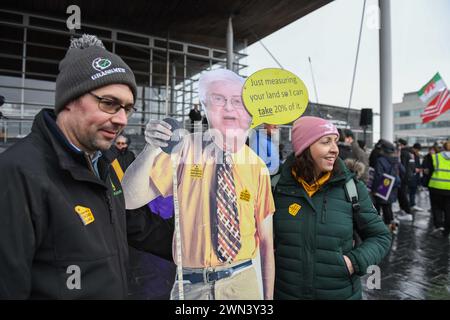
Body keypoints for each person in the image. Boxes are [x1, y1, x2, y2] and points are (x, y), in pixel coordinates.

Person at [0, 34, 173, 299]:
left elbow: (134, 224)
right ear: (69, 99)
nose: (121, 119)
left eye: (128, 108)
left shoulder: (104, 161)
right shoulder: (17, 173)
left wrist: (196, 240)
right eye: (109, 103)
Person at [122, 69, 275, 300]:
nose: (229, 108)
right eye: (218, 100)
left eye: (237, 101)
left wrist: (268, 299)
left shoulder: (258, 167)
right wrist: (151, 148)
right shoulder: (184, 149)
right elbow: (129, 199)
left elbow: (266, 242)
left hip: (242, 285)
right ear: (206, 107)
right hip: (191, 287)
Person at [272, 116, 391, 300]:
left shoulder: (351, 188)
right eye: (326, 142)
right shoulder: (276, 187)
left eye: (335, 141)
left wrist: (354, 262)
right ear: (304, 147)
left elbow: (380, 236)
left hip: (341, 293)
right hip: (286, 293)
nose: (335, 149)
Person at [371, 140, 403, 234]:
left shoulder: (380, 160)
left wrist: (374, 189)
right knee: (388, 207)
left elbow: (378, 176)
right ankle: (390, 226)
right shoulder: (396, 159)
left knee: (379, 206)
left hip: (383, 186)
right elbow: (403, 171)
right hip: (393, 186)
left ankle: (379, 228)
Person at [424, 141, 450, 238]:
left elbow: (429, 171)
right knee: (448, 209)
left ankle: (439, 227)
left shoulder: (436, 157)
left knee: (437, 208)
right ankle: (447, 230)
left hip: (436, 187)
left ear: (443, 148)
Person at [396, 138, 414, 221]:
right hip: (408, 177)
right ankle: (404, 210)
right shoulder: (410, 153)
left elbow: (401, 167)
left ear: (401, 145)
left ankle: (408, 212)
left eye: (398, 144)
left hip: (403, 177)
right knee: (402, 194)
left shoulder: (403, 153)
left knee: (402, 194)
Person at [409, 143, 424, 211]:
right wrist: (415, 169)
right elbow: (410, 165)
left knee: (413, 191)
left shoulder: (416, 155)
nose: (418, 151)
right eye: (418, 150)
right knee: (412, 191)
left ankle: (412, 204)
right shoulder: (411, 154)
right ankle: (412, 204)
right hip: (412, 176)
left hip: (415, 176)